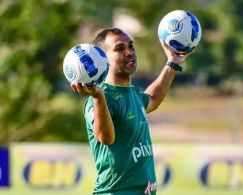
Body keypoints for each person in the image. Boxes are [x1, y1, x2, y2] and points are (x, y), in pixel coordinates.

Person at [70, 28, 191, 195]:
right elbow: (106, 138)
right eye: (119, 48)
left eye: (131, 46)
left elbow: (153, 99)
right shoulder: (100, 98)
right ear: (102, 58)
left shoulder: (133, 92)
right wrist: (98, 98)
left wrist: (172, 62)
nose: (129, 52)